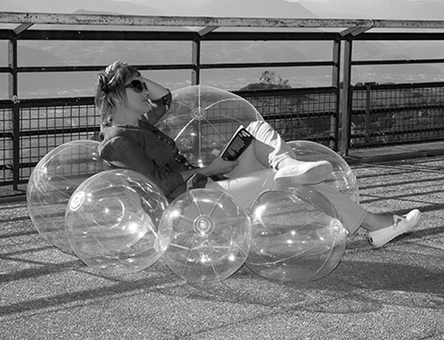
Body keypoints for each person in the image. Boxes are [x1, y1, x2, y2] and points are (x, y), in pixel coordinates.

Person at [95, 61, 421, 249]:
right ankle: (375, 223)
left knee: (253, 130)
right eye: (135, 88)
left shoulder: (139, 124)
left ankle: (287, 162)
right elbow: (156, 186)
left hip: (206, 188)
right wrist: (212, 168)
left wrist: (132, 77)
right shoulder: (117, 140)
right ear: (116, 97)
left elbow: (164, 98)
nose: (144, 91)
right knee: (275, 181)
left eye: (141, 85)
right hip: (189, 211)